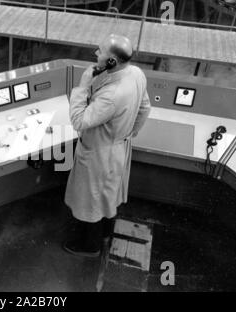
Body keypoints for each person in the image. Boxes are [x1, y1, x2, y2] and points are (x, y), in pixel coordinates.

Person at [63, 34, 151, 257]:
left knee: (90, 200)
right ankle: (104, 235)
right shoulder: (136, 74)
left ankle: (89, 247)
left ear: (111, 60)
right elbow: (145, 108)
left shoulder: (112, 95)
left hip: (98, 154)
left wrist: (82, 86)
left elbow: (79, 121)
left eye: (99, 51)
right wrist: (129, 132)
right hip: (118, 147)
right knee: (107, 196)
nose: (95, 53)